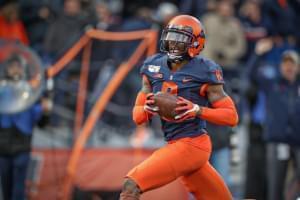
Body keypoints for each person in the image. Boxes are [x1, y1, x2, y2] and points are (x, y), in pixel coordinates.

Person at [119, 15, 239, 200]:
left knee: (131, 185)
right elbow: (138, 117)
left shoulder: (205, 70)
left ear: (196, 43)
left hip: (193, 143)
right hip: (176, 143)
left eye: (180, 39)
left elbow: (231, 117)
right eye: (171, 37)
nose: (174, 43)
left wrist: (198, 110)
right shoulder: (153, 66)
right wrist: (147, 109)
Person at [0, 53, 51, 200]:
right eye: (12, 67)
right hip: (3, 148)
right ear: (6, 69)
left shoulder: (29, 92)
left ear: (23, 70)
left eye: (18, 67)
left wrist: (46, 111)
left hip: (22, 146)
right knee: (6, 187)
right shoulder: (2, 90)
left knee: (18, 188)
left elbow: (42, 122)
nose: (15, 70)